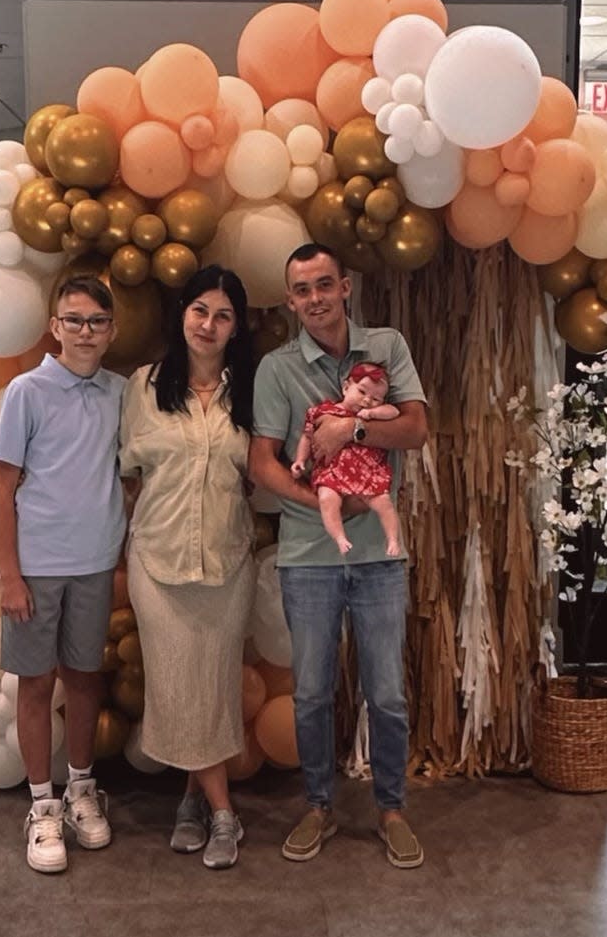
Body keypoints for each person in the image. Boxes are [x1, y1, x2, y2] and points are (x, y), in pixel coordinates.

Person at [249, 242, 428, 869]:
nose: (315, 299)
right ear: (291, 299)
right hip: (307, 554)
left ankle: (392, 809)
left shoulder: (386, 347)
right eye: (302, 290)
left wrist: (350, 430)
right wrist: (317, 499)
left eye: (325, 284)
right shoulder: (276, 369)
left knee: (387, 692)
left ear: (345, 286)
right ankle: (319, 804)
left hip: (380, 555)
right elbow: (261, 459)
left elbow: (415, 428)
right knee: (311, 694)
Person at [119, 265, 256, 870]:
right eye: (200, 310)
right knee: (176, 687)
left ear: (236, 326)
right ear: (182, 314)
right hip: (157, 559)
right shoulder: (144, 385)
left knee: (215, 686)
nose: (209, 324)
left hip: (228, 561)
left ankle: (189, 801)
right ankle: (225, 813)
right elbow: (128, 477)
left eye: (223, 315)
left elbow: (269, 473)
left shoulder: (252, 389)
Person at [0, 275, 126, 874]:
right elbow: (0, 486)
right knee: (37, 683)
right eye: (73, 320)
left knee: (86, 676)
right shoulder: (27, 391)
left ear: (112, 330)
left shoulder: (122, 392)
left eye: (97, 322)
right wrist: (9, 572)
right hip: (37, 567)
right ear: (55, 327)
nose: (85, 332)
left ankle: (80, 789)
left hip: (95, 563)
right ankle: (41, 805)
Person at [291, 361, 401, 556]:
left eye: (376, 398)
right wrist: (300, 460)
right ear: (346, 387)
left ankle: (392, 539)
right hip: (332, 471)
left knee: (384, 503)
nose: (367, 400)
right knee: (327, 500)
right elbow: (307, 437)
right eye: (361, 392)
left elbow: (394, 412)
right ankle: (339, 538)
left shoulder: (370, 415)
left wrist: (373, 413)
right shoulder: (323, 411)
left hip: (366, 470)